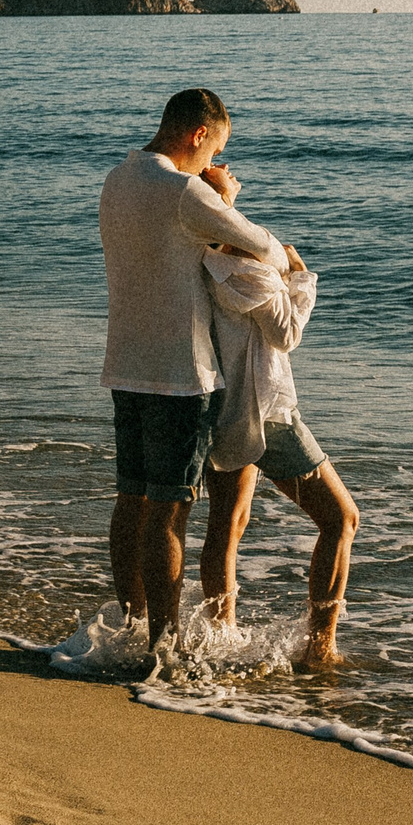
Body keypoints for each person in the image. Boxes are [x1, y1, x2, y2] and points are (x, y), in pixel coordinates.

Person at [95, 88, 284, 652]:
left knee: (132, 501)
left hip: (124, 365)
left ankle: (130, 627)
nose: (212, 165)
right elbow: (266, 250)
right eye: (214, 150)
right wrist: (223, 196)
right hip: (182, 373)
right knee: (171, 512)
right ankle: (165, 646)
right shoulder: (183, 191)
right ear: (198, 135)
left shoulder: (117, 179)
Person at [199, 226, 361, 668]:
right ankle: (320, 648)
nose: (230, 173)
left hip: (225, 402)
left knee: (227, 524)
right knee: (341, 518)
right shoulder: (247, 274)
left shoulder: (205, 264)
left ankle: (220, 637)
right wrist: (302, 277)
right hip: (267, 411)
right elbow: (286, 334)